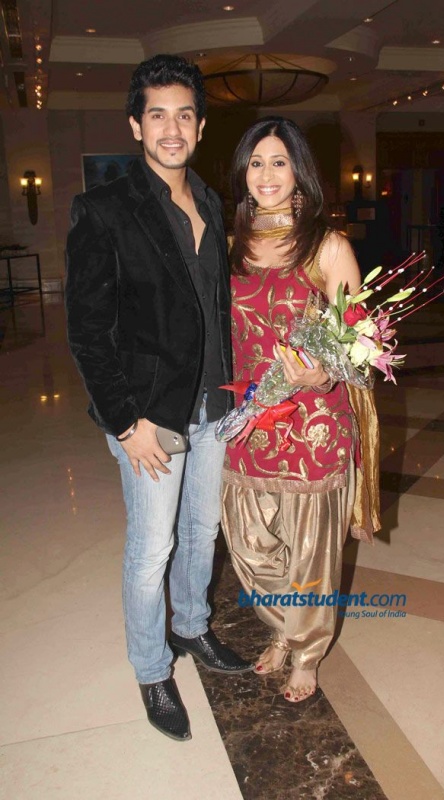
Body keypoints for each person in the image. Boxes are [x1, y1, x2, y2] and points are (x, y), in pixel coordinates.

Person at [65, 54, 252, 743]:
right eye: (157, 116)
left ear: (199, 127)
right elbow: (87, 331)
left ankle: (192, 627)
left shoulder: (210, 201)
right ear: (135, 126)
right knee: (152, 548)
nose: (171, 129)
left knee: (202, 532)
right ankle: (151, 669)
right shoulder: (105, 209)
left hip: (211, 409)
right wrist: (125, 423)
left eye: (184, 115)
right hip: (149, 415)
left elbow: (215, 306)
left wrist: (237, 394)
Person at [221, 117, 380, 703]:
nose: (266, 174)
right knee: (248, 544)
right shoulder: (231, 246)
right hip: (249, 421)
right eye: (256, 162)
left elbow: (360, 346)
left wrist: (324, 371)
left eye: (279, 162)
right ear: (243, 172)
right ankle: (283, 626)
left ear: (299, 173)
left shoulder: (327, 246)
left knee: (311, 552)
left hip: (315, 426)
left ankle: (305, 652)